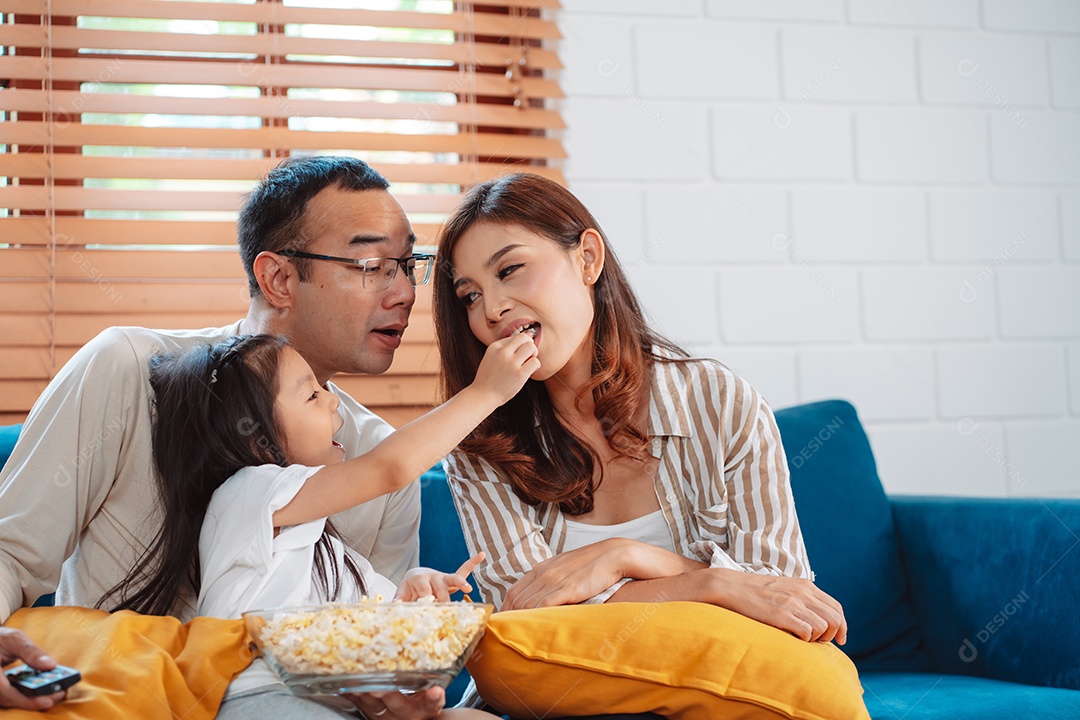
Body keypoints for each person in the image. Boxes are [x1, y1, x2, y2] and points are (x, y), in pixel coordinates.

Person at [0, 156, 443, 717]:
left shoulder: (380, 452)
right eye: (374, 263)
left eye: (407, 263)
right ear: (278, 278)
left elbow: (381, 641)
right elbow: (9, 551)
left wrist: (387, 693)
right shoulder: (128, 368)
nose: (404, 291)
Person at [433, 173, 848, 650]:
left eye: (509, 270)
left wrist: (621, 556)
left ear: (587, 258)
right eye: (471, 295)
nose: (492, 310)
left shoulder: (719, 402)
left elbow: (783, 601)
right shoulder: (480, 445)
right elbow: (528, 618)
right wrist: (706, 582)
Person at [109, 331, 535, 719]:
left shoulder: (332, 551)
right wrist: (487, 392)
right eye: (312, 395)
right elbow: (390, 468)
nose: (333, 400)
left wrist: (413, 595)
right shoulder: (247, 494)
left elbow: (373, 637)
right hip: (260, 697)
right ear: (256, 438)